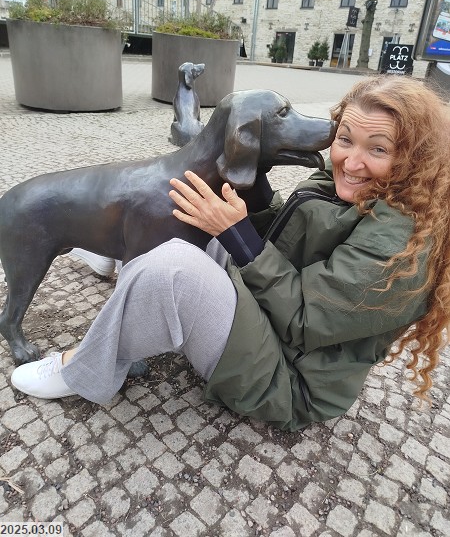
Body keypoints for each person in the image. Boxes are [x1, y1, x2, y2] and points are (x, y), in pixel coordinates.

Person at [10, 75, 450, 431]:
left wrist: (236, 232)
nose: (351, 162)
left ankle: (82, 368)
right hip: (267, 316)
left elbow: (305, 320)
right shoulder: (346, 186)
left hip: (288, 377)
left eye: (378, 149)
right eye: (345, 139)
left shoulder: (404, 245)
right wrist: (244, 202)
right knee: (180, 224)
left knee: (172, 268)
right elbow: (284, 236)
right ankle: (109, 252)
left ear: (415, 158)